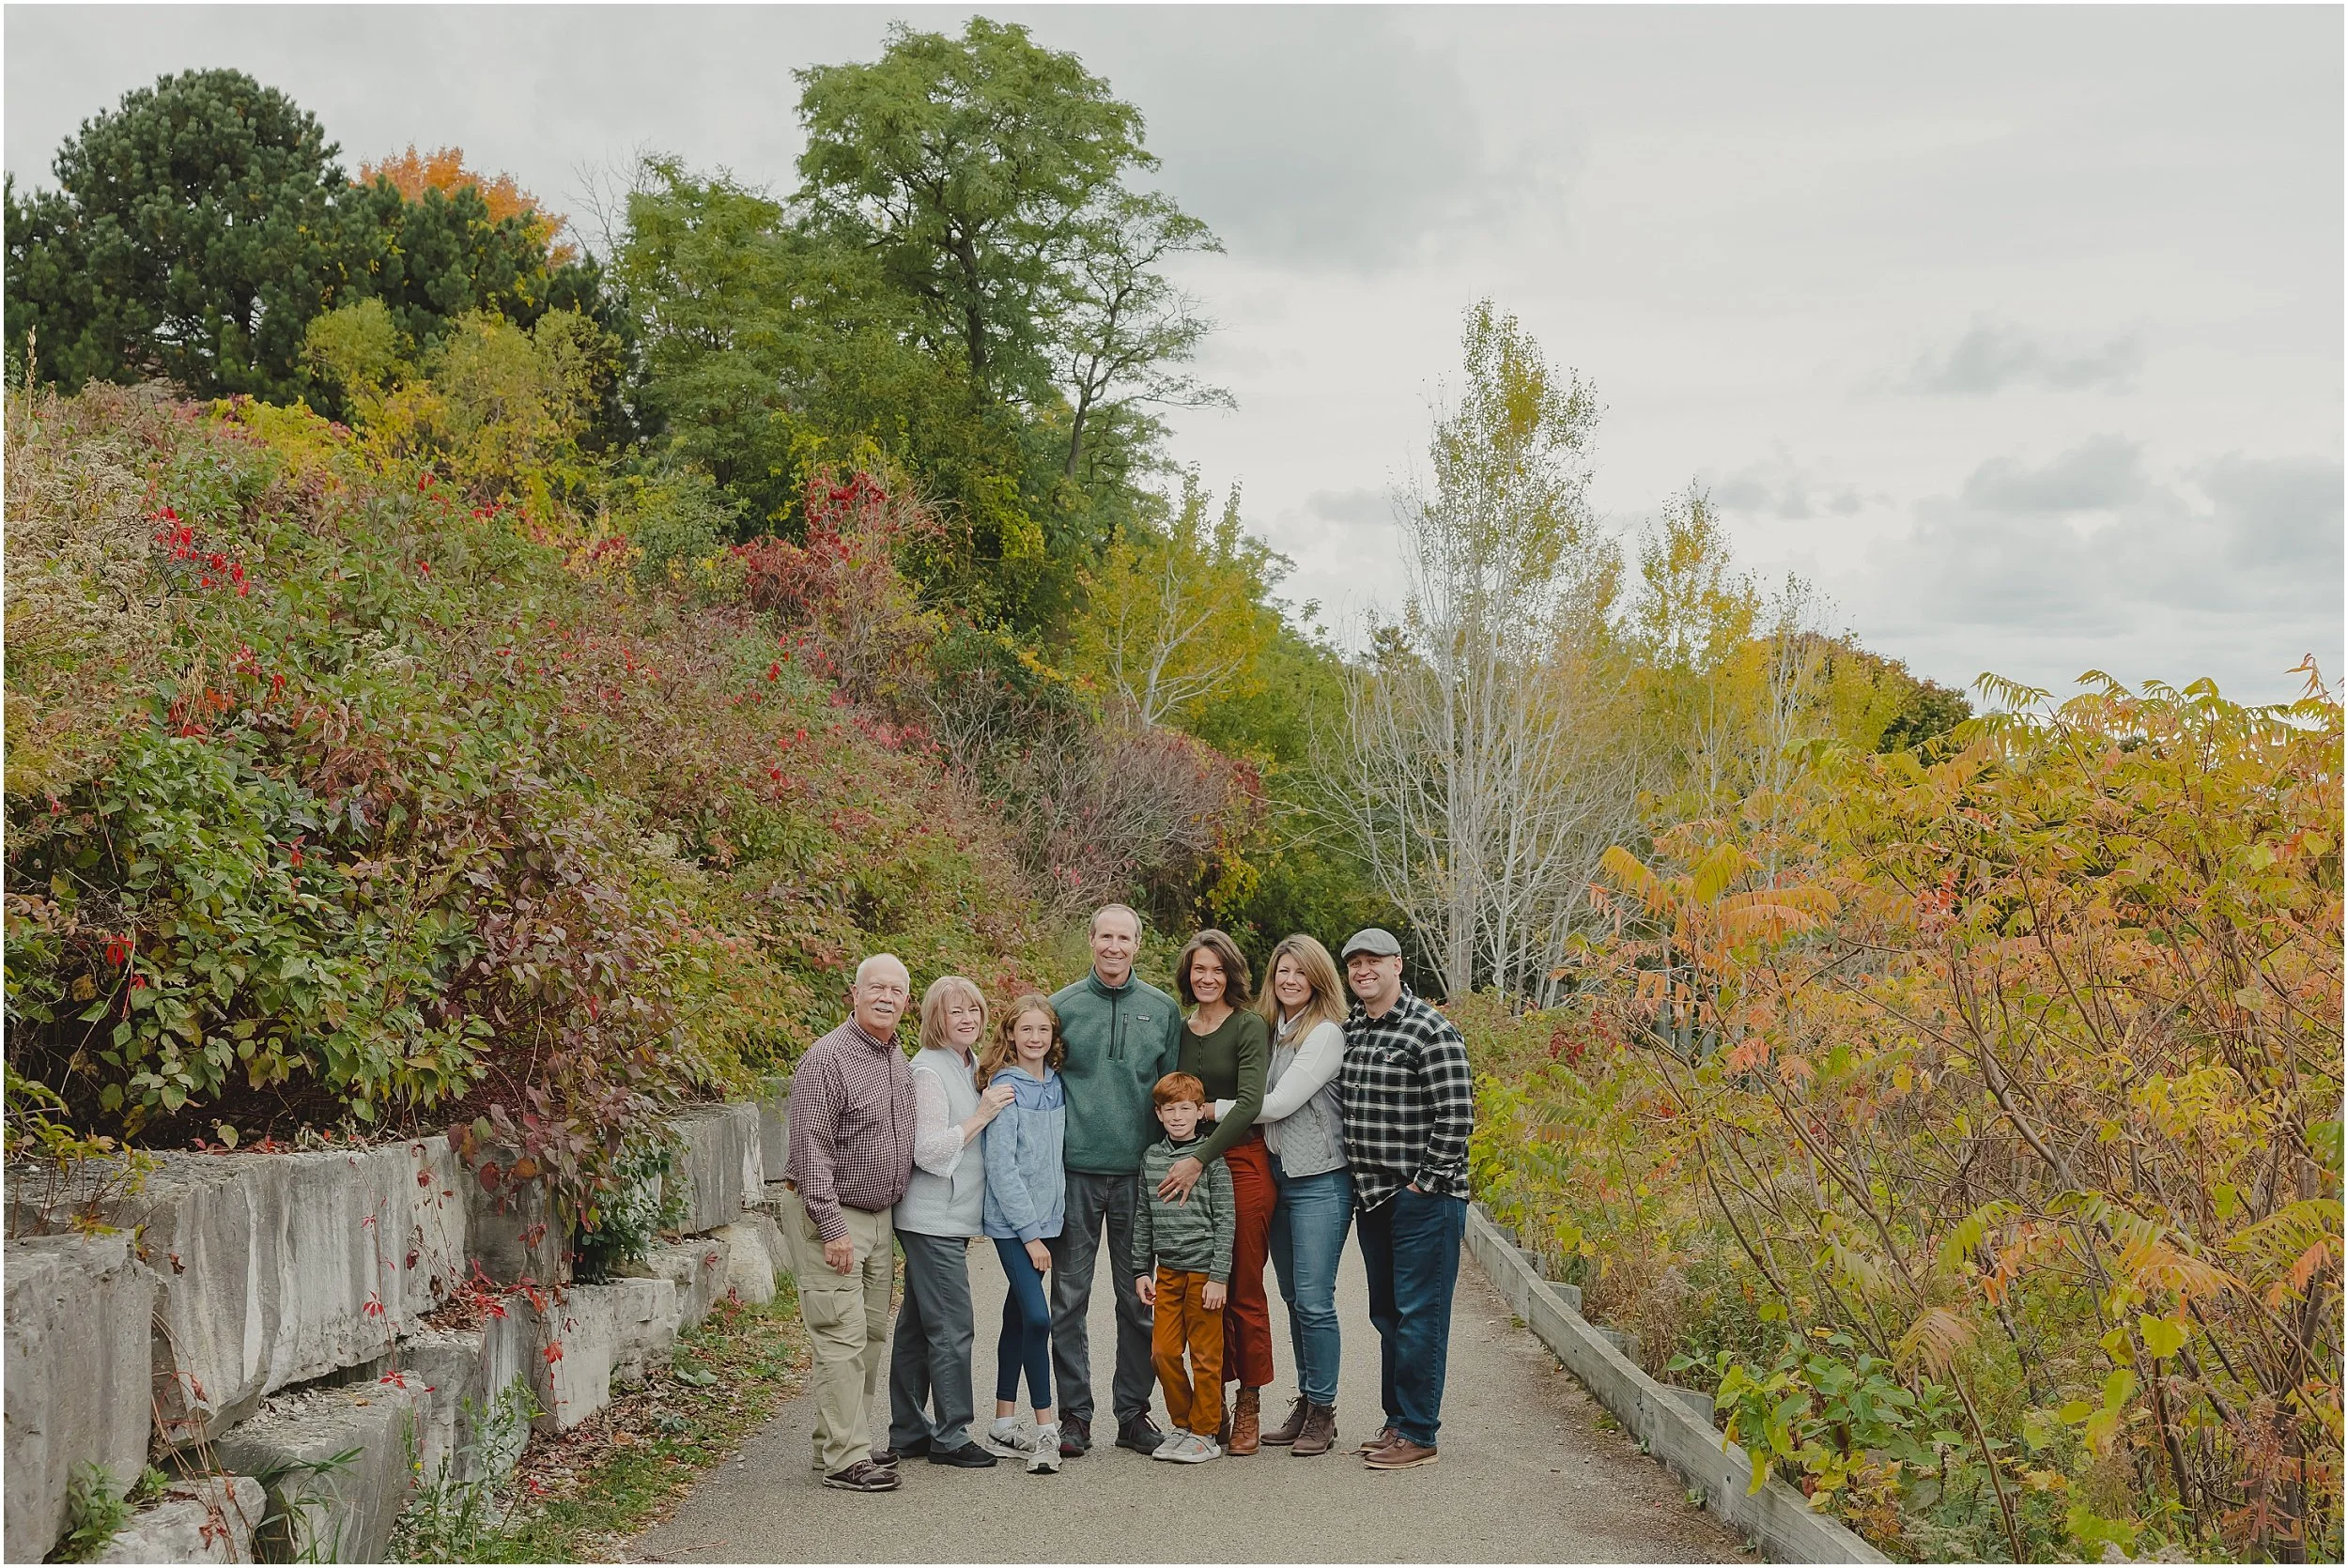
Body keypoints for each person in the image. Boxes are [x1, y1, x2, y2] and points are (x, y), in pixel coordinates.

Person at [1336, 927, 1475, 1471]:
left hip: (1424, 1199)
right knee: (1388, 1315)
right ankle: (1397, 1422)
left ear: (1397, 965)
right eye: (1355, 963)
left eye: (1374, 960)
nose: (1363, 970)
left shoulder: (1430, 1029)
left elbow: (1457, 1115)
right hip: (1373, 1197)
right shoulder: (1354, 1029)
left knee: (1421, 1315)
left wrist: (1424, 1183)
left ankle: (1419, 1432)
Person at [1047, 904, 1183, 1457]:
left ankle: (1132, 1414)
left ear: (1137, 945)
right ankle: (1074, 1416)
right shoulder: (1061, 1007)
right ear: (1091, 940)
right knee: (1068, 1299)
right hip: (1076, 1172)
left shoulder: (1162, 1008)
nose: (1114, 947)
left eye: (1124, 938)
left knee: (1138, 1299)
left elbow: (1174, 1093)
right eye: (1105, 936)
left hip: (1137, 1177)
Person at [779, 953, 919, 1493]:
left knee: (870, 1336)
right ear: (854, 995)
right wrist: (833, 1227)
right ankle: (845, 1458)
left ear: (906, 1001)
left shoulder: (895, 1057)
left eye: (897, 991)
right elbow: (810, 1148)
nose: (886, 997)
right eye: (876, 988)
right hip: (833, 1215)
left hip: (878, 1218)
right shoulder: (827, 1058)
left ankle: (839, 1441)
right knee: (840, 1333)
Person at [888, 976, 1018, 1468]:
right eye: (955, 1011)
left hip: (949, 1219)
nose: (967, 1019)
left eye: (974, 1010)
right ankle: (951, 1435)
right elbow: (927, 1150)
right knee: (952, 1326)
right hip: (932, 1219)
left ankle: (908, 1432)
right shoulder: (929, 1071)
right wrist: (981, 1115)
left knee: (918, 1325)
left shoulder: (966, 1064)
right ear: (935, 1019)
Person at [1151, 929, 1274, 1453]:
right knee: (1199, 1288)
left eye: (1217, 969)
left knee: (1240, 1288)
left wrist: (1199, 1160)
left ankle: (1249, 1402)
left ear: (1232, 975)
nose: (1208, 978)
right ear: (1188, 974)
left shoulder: (1248, 1026)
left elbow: (1249, 1103)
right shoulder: (1180, 1029)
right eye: (1199, 968)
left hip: (1238, 1161)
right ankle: (1210, 1404)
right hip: (1185, 1165)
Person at [1244, 934, 1353, 1457]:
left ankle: (1324, 1412)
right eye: (1282, 971)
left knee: (1314, 1299)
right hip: (1279, 1177)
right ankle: (1308, 1402)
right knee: (1292, 1297)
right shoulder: (1271, 1031)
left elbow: (1278, 1103)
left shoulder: (1325, 1033)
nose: (1290, 980)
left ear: (1318, 978)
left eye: (1300, 972)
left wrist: (1209, 1109)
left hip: (1320, 1181)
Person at [979, 994, 1070, 1475]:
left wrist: (1047, 1225)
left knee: (1016, 1316)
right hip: (1014, 1226)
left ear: (1053, 1037)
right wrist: (1030, 1236)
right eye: (1026, 1029)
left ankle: (1001, 1423)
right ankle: (1046, 1431)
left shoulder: (1055, 1085)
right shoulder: (1006, 1089)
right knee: (1037, 1318)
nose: (1035, 1038)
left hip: (1047, 1222)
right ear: (1011, 1035)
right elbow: (1002, 1168)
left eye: (1043, 1030)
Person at [1132, 1071, 1237, 1464]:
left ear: (1198, 1112)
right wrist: (1141, 1270)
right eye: (1170, 1110)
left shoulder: (1211, 1159)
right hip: (1168, 1273)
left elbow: (1226, 1220)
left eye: (1185, 1109)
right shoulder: (1152, 1158)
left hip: (1204, 1273)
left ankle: (1206, 1431)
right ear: (1159, 1114)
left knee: (1205, 1356)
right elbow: (1144, 1216)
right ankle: (1183, 1423)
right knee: (1162, 1352)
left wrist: (1218, 1276)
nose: (1177, 1117)